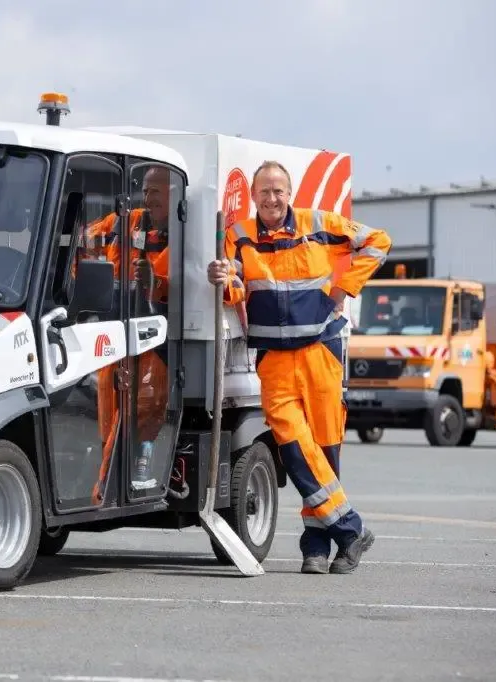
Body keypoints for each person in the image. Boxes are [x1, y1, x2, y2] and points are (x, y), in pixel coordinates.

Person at [207, 160, 392, 575]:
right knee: (294, 448)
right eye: (264, 192)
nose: (272, 199)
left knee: (324, 452)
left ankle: (316, 548)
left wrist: (345, 287)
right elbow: (235, 286)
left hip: (321, 352)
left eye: (279, 191)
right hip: (273, 360)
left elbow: (378, 241)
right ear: (253, 196)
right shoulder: (239, 237)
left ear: (289, 194)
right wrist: (221, 276)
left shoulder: (319, 223)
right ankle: (350, 529)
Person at [77, 166, 173, 502]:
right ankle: (112, 480)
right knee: (108, 409)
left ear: (175, 193)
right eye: (146, 191)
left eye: (157, 191)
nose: (149, 198)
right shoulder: (123, 222)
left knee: (143, 406)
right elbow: (85, 243)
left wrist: (153, 282)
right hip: (114, 334)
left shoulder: (186, 231)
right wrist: (81, 278)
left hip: (156, 337)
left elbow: (184, 284)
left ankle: (111, 485)